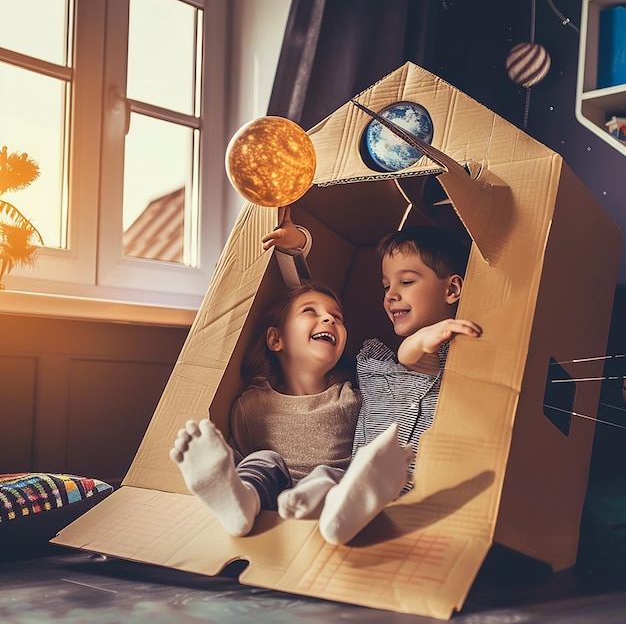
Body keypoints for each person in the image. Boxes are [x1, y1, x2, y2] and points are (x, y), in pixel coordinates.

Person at [263, 222, 482, 545]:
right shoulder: (372, 363)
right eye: (385, 286)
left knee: (359, 485)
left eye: (406, 281)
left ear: (451, 290)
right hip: (353, 479)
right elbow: (306, 305)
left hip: (407, 489)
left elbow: (415, 358)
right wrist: (297, 246)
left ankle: (338, 513)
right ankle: (316, 504)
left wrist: (427, 339)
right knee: (328, 475)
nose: (391, 294)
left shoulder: (451, 355)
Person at [170, 282, 412, 538]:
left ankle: (338, 519)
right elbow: (241, 457)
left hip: (335, 496)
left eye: (337, 317)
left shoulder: (350, 397)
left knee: (330, 475)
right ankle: (240, 505)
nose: (329, 318)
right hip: (271, 502)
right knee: (263, 461)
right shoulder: (252, 405)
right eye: (310, 311)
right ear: (276, 339)